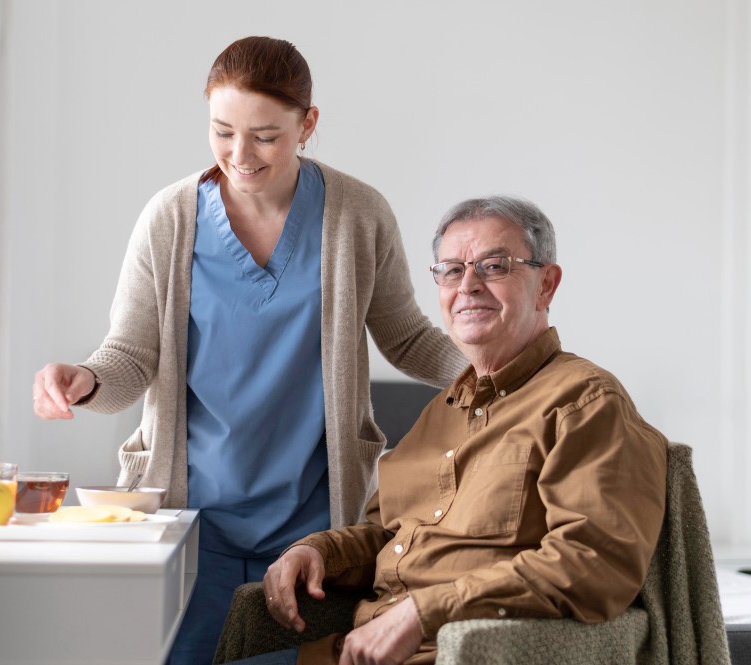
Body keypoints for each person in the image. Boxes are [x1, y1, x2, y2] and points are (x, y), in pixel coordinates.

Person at [31, 36, 466, 665]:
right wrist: (84, 381)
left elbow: (406, 337)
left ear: (308, 124)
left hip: (311, 524)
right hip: (189, 520)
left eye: (265, 135)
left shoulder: (357, 214)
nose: (241, 154)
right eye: (222, 131)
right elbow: (128, 357)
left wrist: (498, 373)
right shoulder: (169, 219)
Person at [244, 196, 669, 665]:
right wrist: (319, 552)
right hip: (350, 650)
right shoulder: (440, 411)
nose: (468, 285)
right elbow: (392, 537)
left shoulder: (584, 402)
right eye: (450, 270)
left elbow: (595, 563)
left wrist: (423, 613)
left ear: (546, 285)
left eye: (493, 266)